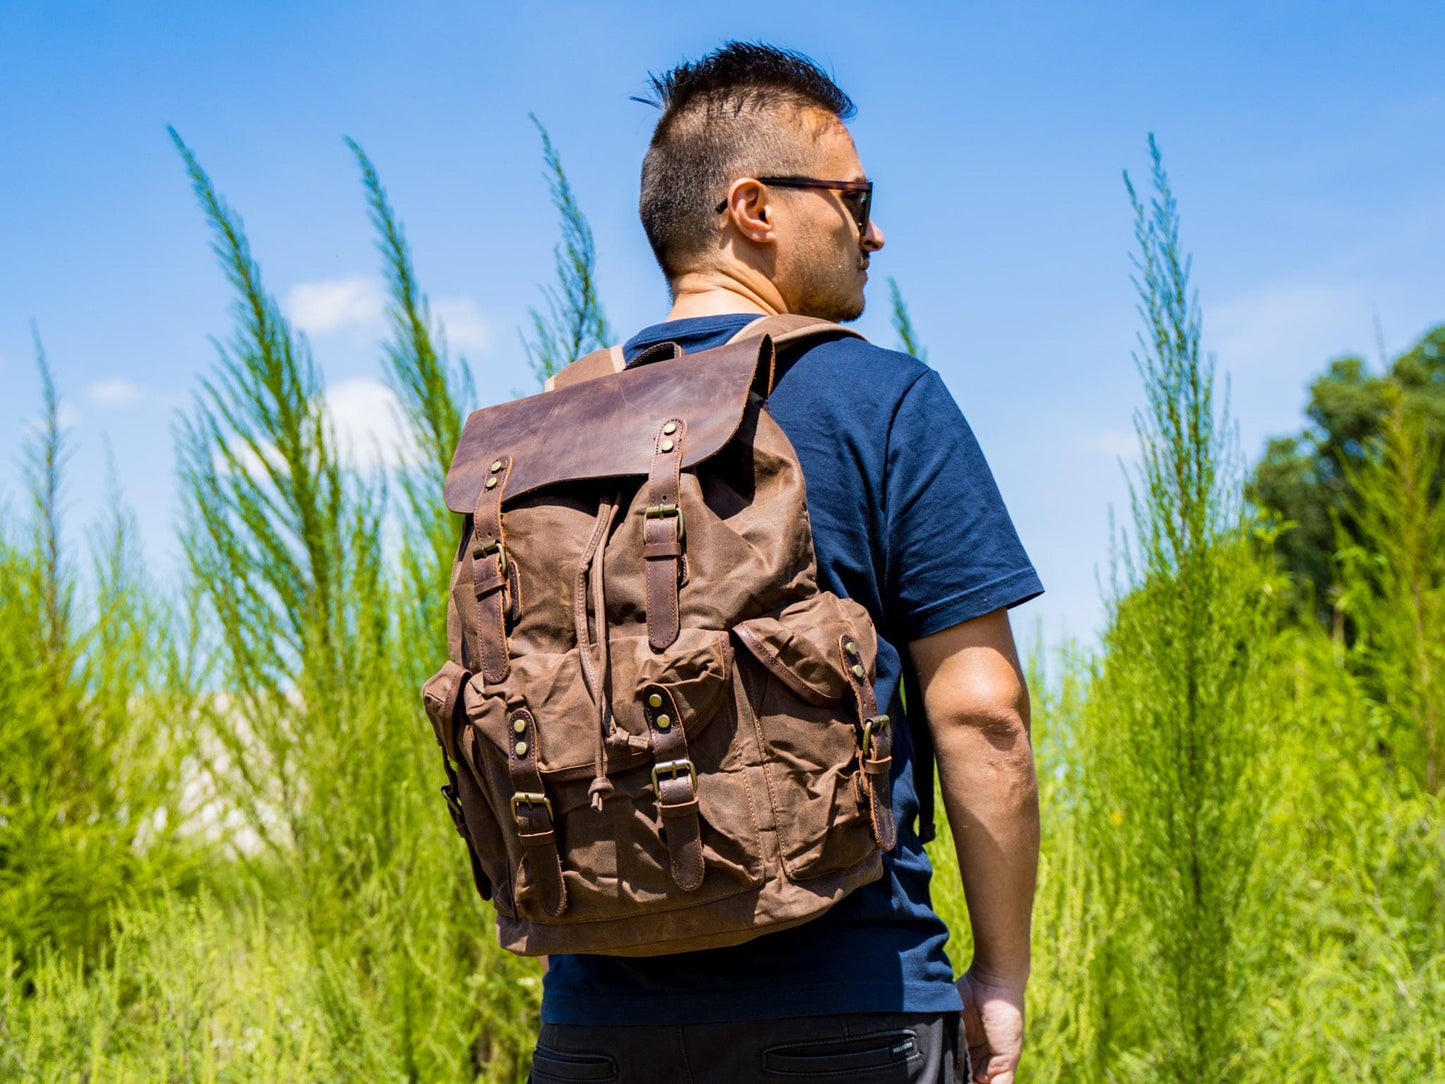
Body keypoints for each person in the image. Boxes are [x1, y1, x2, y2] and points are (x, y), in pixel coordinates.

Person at [532, 42, 1042, 1084]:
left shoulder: (549, 429)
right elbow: (982, 711)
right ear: (753, 208)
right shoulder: (883, 400)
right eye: (855, 198)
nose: (874, 228)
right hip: (848, 1008)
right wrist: (1000, 975)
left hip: (595, 1027)